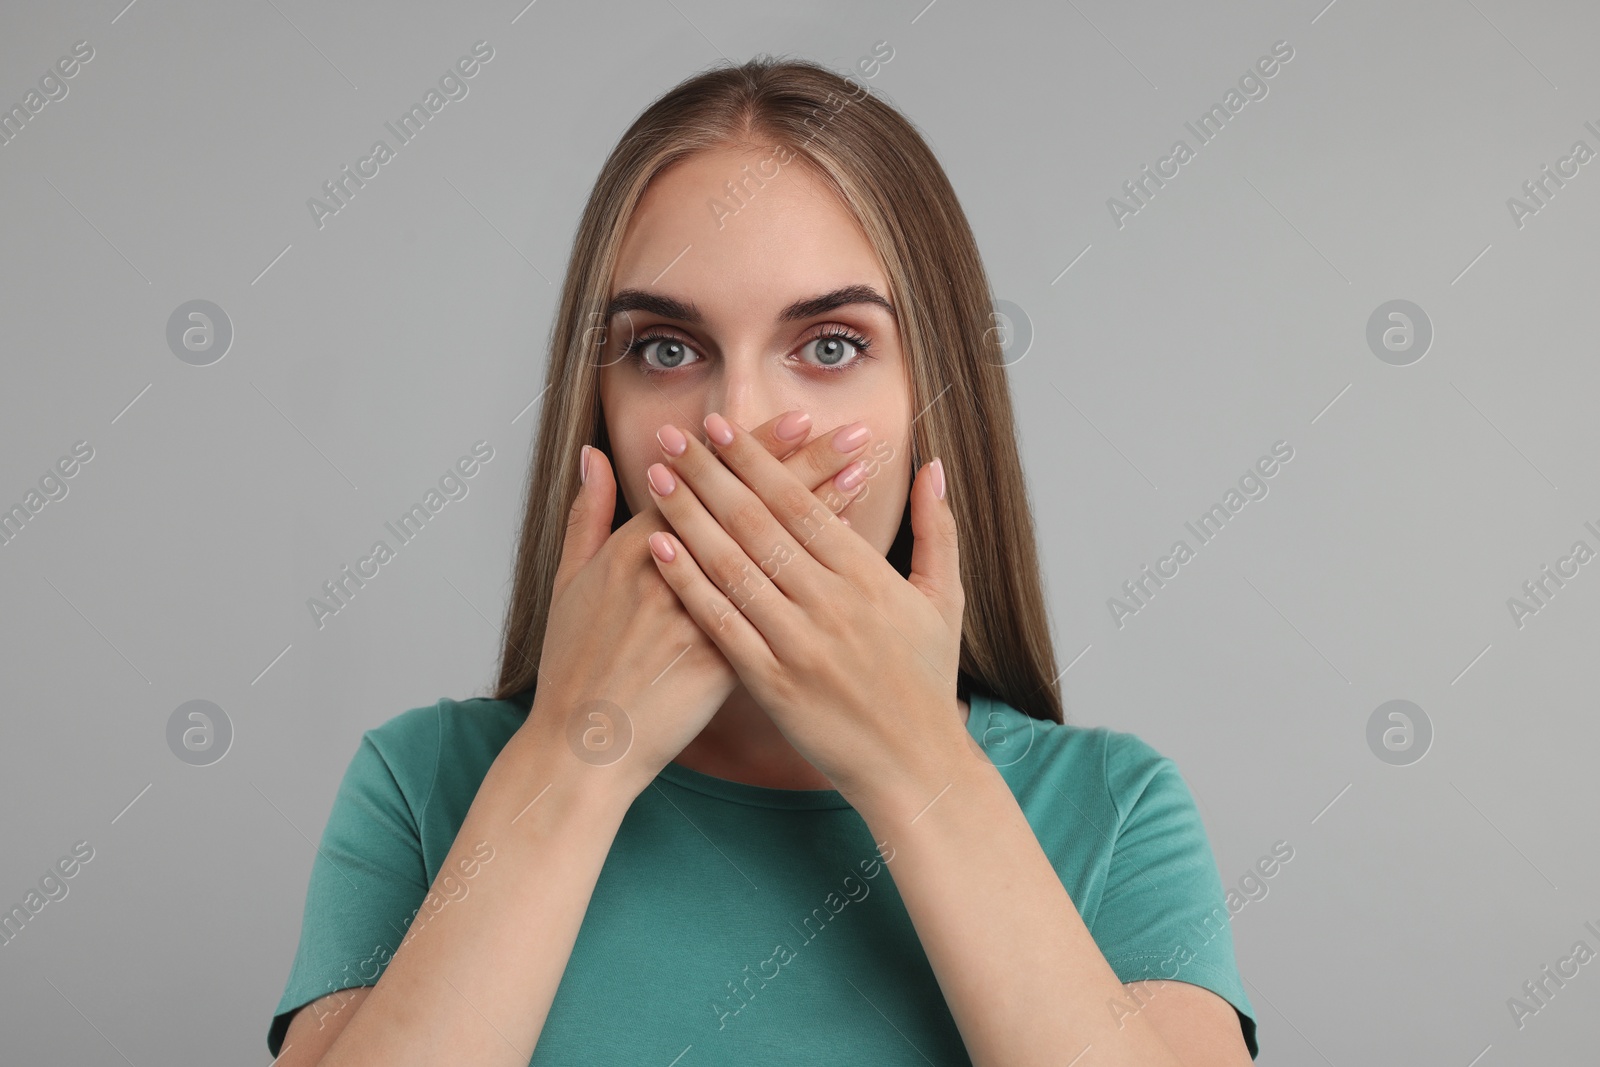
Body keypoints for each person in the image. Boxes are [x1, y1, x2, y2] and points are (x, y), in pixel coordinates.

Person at [267, 55, 1260, 1065]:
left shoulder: (1110, 810)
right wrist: (572, 756)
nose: (734, 423)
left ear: (934, 406)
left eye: (829, 346)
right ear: (599, 409)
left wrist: (913, 761)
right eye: (665, 348)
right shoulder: (425, 782)